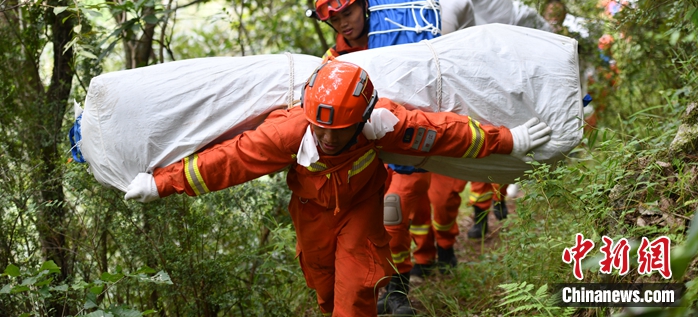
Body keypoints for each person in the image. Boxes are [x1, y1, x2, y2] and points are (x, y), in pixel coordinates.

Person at [125, 60, 552, 317]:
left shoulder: (384, 123)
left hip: (362, 210)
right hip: (311, 214)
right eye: (321, 129)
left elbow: (446, 133)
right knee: (323, 286)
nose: (328, 140)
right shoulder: (289, 132)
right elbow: (228, 162)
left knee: (354, 292)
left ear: (361, 119)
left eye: (340, 131)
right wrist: (161, 185)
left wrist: (510, 141)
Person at [313, 0, 434, 314]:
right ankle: (385, 289)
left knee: (396, 210)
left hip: (403, 138)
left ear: (363, 5)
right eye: (335, 20)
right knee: (376, 224)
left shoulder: (396, 34)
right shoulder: (333, 58)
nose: (343, 24)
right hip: (363, 152)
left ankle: (399, 291)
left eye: (347, 14)